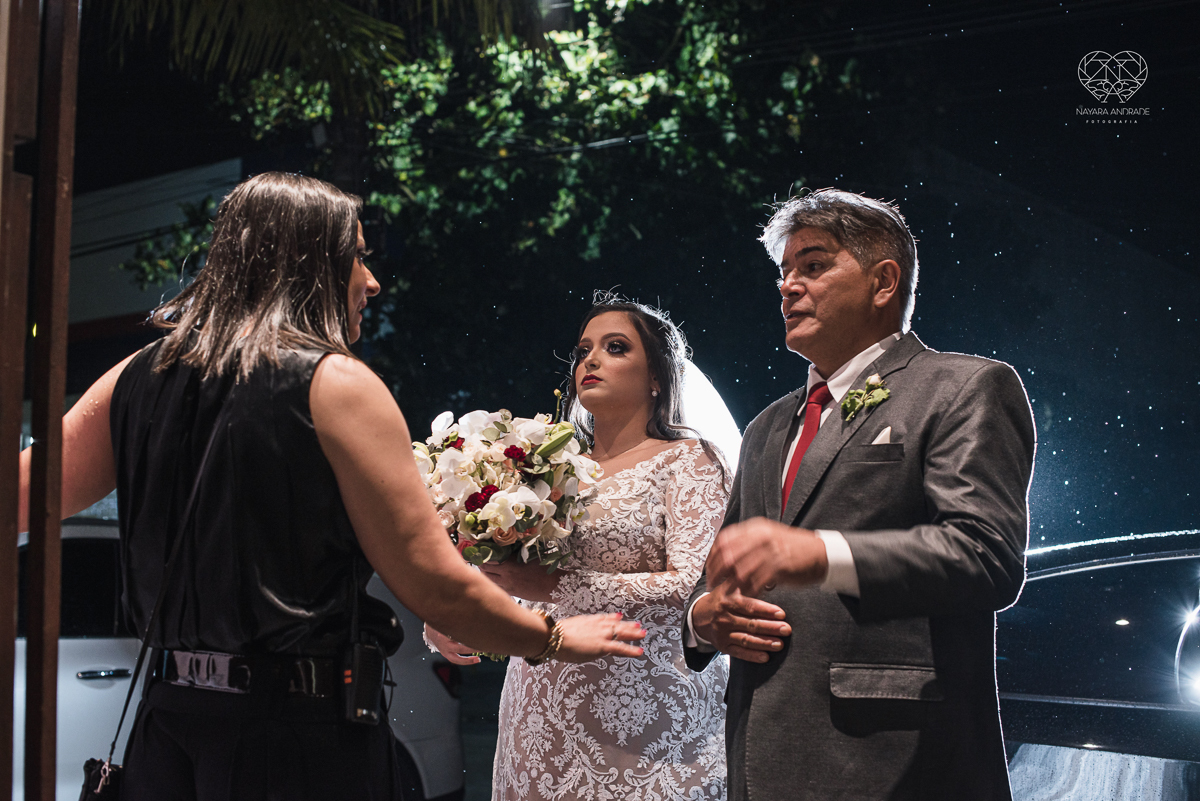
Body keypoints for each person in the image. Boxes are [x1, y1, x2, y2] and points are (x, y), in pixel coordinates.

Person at [15, 172, 643, 801]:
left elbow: (18, 497)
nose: (371, 281)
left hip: (167, 734)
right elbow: (434, 584)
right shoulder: (335, 383)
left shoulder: (135, 376)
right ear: (305, 263)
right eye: (357, 257)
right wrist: (553, 638)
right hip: (293, 740)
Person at [683, 189, 1036, 800]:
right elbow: (720, 569)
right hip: (758, 756)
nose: (788, 286)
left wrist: (820, 554)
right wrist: (703, 618)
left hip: (895, 761)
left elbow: (984, 557)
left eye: (813, 265)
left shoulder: (964, 387)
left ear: (883, 282)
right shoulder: (767, 426)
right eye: (784, 272)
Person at [426, 297, 733, 800]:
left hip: (646, 717)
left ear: (657, 377)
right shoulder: (545, 471)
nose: (590, 360)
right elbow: (513, 576)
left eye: (616, 348)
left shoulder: (688, 461)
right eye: (583, 350)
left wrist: (558, 586)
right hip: (539, 709)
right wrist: (455, 612)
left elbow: (692, 586)